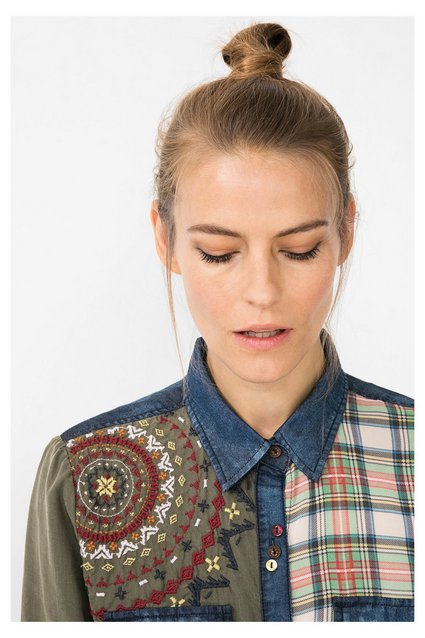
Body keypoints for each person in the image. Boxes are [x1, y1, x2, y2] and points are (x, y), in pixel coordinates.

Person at [21, 21, 414, 622]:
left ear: (346, 232)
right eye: (220, 253)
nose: (262, 292)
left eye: (300, 250)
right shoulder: (85, 477)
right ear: (166, 238)